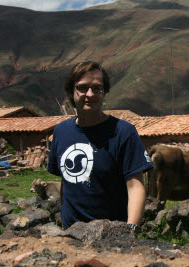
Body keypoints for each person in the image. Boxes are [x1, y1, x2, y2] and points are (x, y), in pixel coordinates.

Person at [47, 61, 153, 235]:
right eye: (82, 88)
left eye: (97, 88)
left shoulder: (123, 132)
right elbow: (66, 184)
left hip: (111, 234)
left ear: (104, 92)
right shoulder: (61, 132)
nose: (90, 94)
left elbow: (136, 186)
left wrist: (131, 229)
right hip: (71, 234)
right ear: (70, 91)